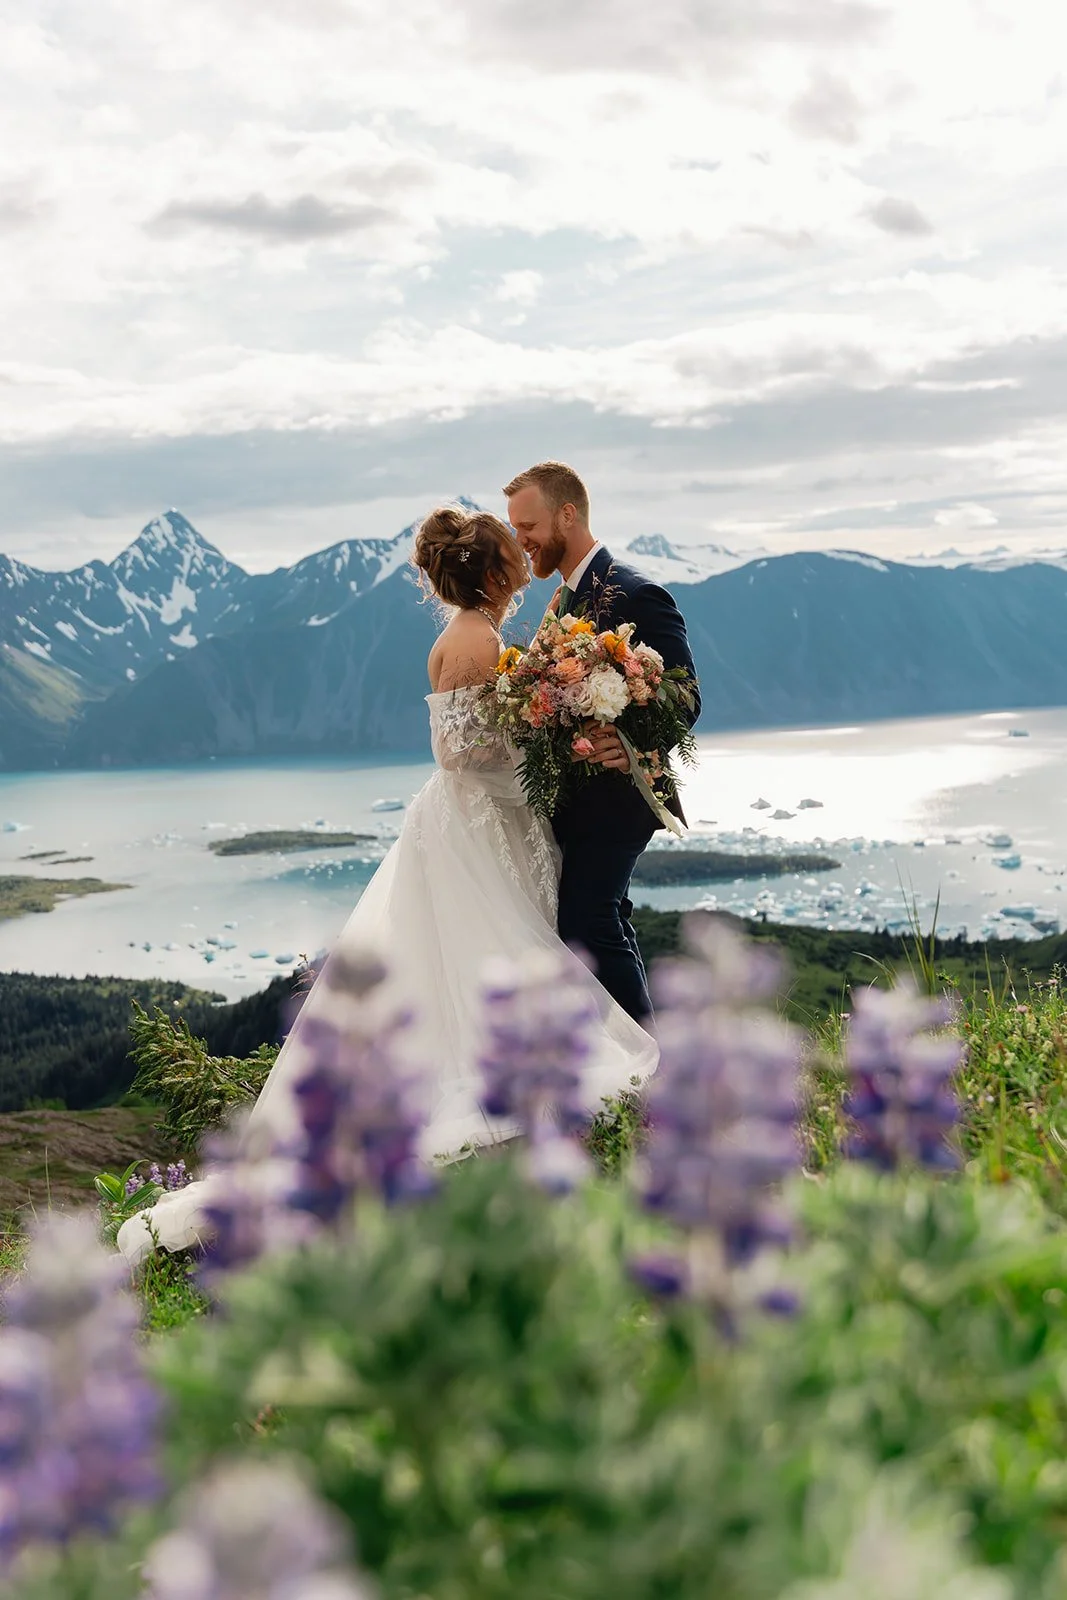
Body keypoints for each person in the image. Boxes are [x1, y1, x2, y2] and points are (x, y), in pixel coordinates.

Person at [117, 503, 656, 1268]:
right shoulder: (473, 641)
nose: (518, 574)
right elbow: (461, 751)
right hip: (476, 819)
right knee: (489, 946)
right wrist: (548, 739)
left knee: (478, 949)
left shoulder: (470, 634)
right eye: (511, 561)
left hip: (472, 820)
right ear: (497, 573)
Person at [504, 462, 701, 1023]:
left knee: (587, 922)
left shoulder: (639, 594)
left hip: (621, 796)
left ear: (568, 515)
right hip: (576, 799)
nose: (522, 542)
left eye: (529, 526)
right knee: (602, 918)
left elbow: (686, 697)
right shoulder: (561, 600)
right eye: (515, 529)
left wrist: (628, 739)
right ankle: (630, 1059)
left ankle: (645, 1063)